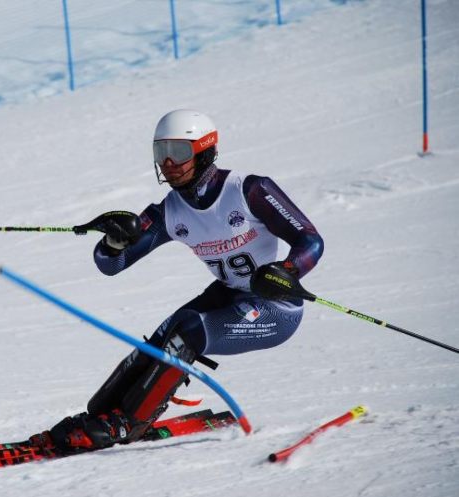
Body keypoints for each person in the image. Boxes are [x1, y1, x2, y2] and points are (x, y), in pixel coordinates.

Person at [30, 109, 324, 454]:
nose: (168, 163)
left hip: (275, 309)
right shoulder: (169, 210)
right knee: (165, 334)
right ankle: (101, 413)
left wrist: (288, 270)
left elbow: (310, 241)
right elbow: (112, 264)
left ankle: (127, 423)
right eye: (161, 152)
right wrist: (113, 240)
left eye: (179, 152)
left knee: (186, 332)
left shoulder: (249, 189)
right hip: (229, 297)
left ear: (205, 151)